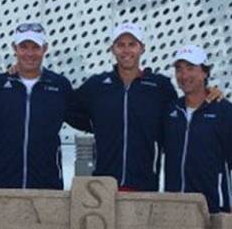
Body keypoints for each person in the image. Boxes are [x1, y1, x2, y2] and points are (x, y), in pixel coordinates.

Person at [68, 23, 177, 192]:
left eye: (132, 44)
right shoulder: (97, 85)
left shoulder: (159, 86)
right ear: (113, 49)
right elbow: (67, 107)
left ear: (142, 48)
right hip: (105, 186)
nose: (126, 51)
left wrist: (208, 93)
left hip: (145, 184)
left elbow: (182, 115)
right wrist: (96, 125)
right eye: (120, 45)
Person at [0, 23, 72, 190]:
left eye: (35, 47)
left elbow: (82, 116)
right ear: (15, 48)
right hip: (4, 184)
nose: (29, 53)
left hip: (47, 185)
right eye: (23, 47)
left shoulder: (60, 85)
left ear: (45, 48)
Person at [162, 45, 232, 214]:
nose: (184, 75)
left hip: (212, 207)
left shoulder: (224, 110)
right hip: (174, 205)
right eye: (179, 69)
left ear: (204, 73)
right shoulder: (171, 110)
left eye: (191, 68)